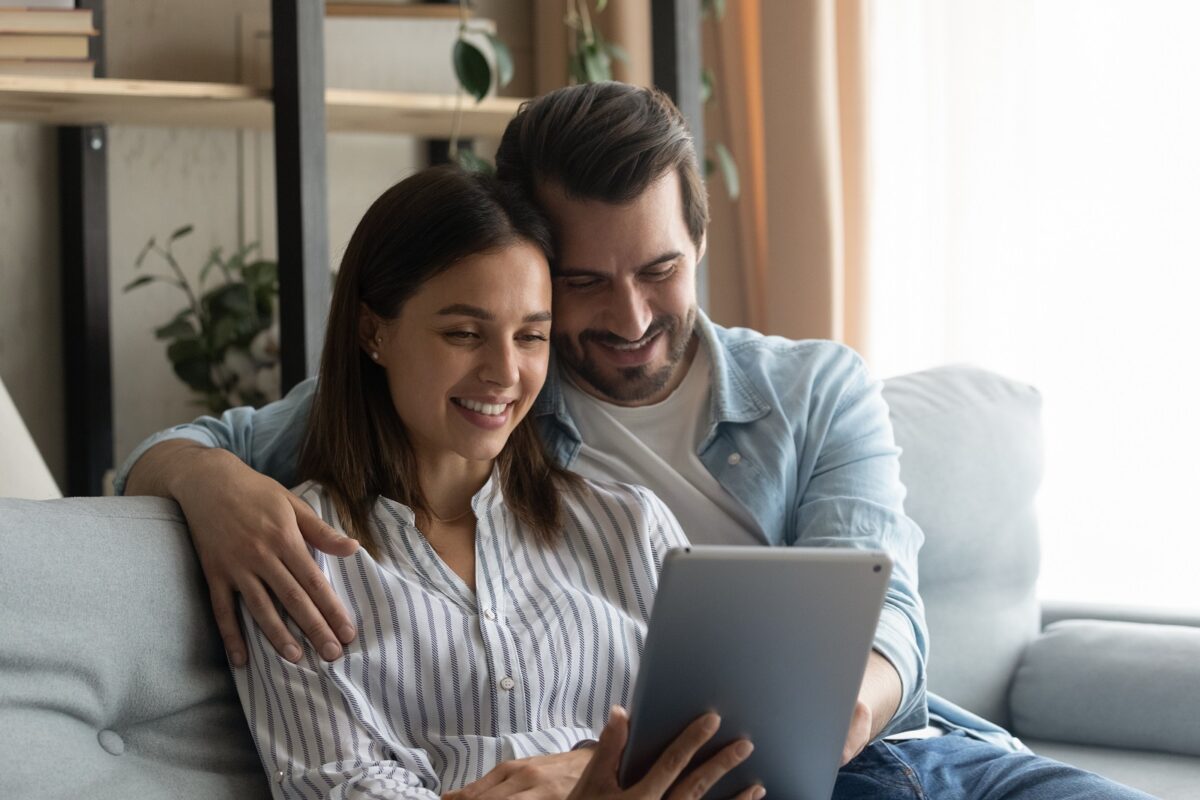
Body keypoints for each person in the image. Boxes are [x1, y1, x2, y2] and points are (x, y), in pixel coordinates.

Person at [120, 83, 1153, 799]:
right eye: (579, 284)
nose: (627, 314)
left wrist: (840, 706)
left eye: (659, 267)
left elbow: (886, 607)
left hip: (904, 750)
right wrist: (205, 482)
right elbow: (205, 441)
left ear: (700, 242)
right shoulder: (488, 397)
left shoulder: (808, 390)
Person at [227, 164, 762, 799]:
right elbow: (335, 784)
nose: (505, 372)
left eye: (531, 336)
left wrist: (583, 771)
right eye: (463, 334)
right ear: (374, 332)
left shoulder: (633, 527)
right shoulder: (293, 553)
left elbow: (727, 750)